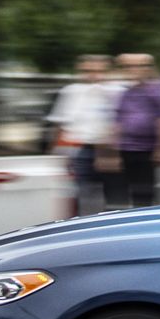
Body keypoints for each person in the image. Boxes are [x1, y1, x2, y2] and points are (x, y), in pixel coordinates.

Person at [47, 54, 118, 216]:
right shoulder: (72, 91)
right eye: (88, 71)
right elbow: (60, 124)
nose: (93, 75)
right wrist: (58, 154)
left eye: (98, 71)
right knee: (82, 194)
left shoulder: (116, 91)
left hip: (109, 150)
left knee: (111, 197)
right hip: (80, 149)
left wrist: (112, 153)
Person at [112, 53, 160, 208]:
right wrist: (114, 151)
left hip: (148, 150)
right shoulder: (126, 93)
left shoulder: (157, 90)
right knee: (131, 192)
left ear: (149, 68)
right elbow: (118, 121)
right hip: (127, 148)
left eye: (140, 66)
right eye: (129, 67)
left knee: (149, 193)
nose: (134, 70)